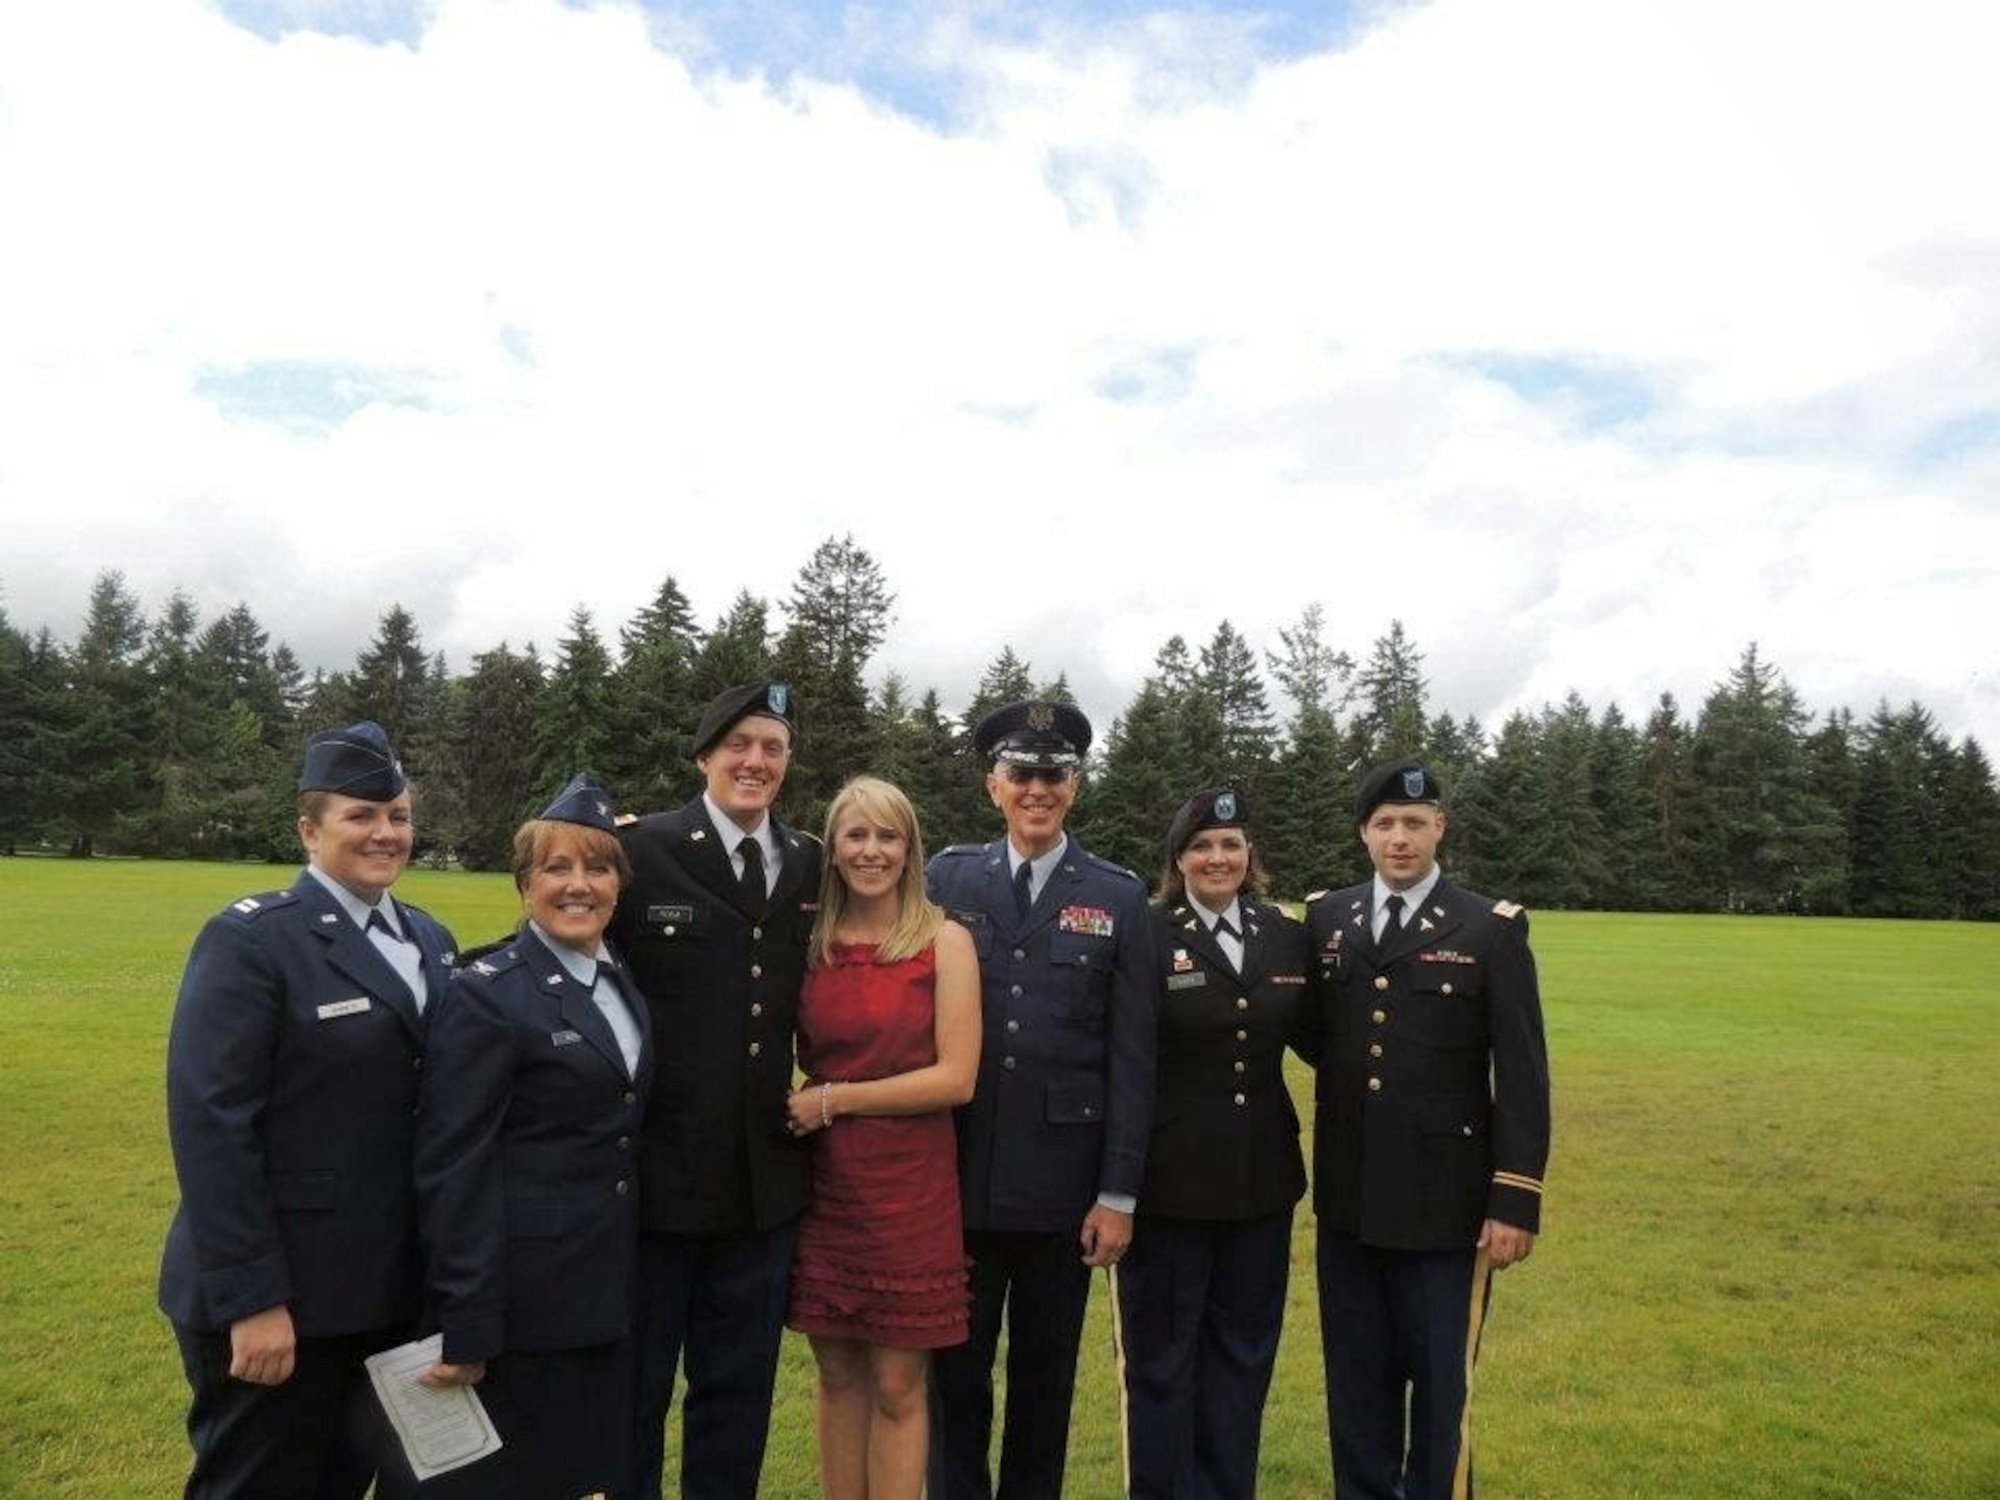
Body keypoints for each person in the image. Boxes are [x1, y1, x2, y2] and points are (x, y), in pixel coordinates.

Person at [159, 720, 457, 1499]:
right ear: (308, 828)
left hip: (388, 1291)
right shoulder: (253, 943)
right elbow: (211, 1125)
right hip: (287, 1298)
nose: (385, 833)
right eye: (360, 816)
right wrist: (252, 1300)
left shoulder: (431, 939)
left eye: (397, 815)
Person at [926, 698, 1160, 1500]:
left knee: (1045, 1381)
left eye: (1054, 775)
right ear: (994, 786)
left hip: (1066, 1190)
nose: (1038, 789)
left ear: (1075, 787)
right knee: (952, 1379)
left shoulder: (1120, 897)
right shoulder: (947, 877)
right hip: (957, 1177)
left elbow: (1134, 1058)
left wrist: (1119, 1194)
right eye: (1022, 773)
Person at [1299, 759, 1551, 1500]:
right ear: (1363, 834)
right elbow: (1323, 1038)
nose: (1399, 838)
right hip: (1349, 1206)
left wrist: (1515, 1198)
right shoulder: (1327, 919)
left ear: (1440, 827)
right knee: (1356, 1390)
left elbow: (1524, 1073)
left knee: (1441, 1392)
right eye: (1384, 825)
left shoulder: (1489, 928)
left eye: (1415, 823)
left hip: (1448, 1212)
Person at [413, 774, 652, 1499]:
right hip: (518, 1306)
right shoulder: (487, 993)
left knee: (578, 1477)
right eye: (558, 868)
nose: (580, 886)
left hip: (602, 1292)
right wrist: (467, 1318)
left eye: (599, 867)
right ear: (525, 884)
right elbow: (454, 1164)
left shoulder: (621, 979)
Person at [609, 682, 820, 1500]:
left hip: (761, 1184)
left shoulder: (806, 859)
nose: (755, 762)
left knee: (738, 1398)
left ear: (789, 761)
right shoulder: (642, 849)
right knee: (636, 1393)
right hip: (657, 1180)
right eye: (738, 745)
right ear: (704, 757)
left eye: (772, 747)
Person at [783, 775, 982, 1500]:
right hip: (825, 1189)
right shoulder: (808, 944)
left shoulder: (943, 942)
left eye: (887, 836)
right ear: (833, 848)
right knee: (837, 1376)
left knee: (899, 1383)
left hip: (911, 1189)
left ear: (910, 848)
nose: (872, 851)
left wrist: (833, 1099)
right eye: (856, 835)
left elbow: (956, 1078)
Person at [1114, 786, 1310, 1499]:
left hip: (1262, 1183)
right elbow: (1127, 1060)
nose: (1217, 857)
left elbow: (1326, 1039)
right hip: (1169, 1186)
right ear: (1179, 859)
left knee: (1243, 1357)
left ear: (1248, 853)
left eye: (1230, 844)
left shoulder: (1287, 934)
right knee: (1162, 1362)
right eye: (1202, 846)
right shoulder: (1147, 931)